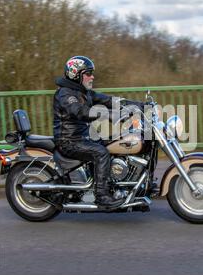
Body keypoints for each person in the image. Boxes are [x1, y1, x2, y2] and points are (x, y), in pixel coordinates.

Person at [53, 56, 143, 208]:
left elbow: (109, 100)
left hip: (84, 137)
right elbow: (80, 111)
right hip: (69, 141)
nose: (92, 76)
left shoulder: (85, 92)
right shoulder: (65, 94)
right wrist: (107, 114)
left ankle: (118, 184)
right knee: (101, 153)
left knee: (114, 143)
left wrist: (140, 106)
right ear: (76, 74)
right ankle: (102, 196)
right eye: (88, 73)